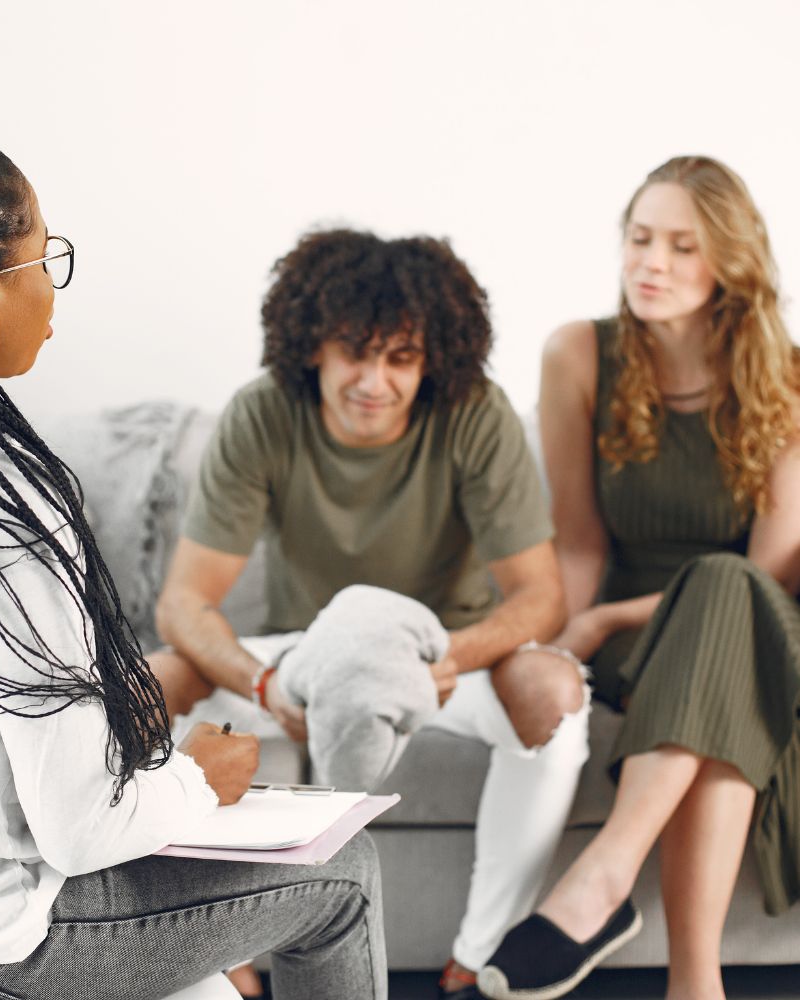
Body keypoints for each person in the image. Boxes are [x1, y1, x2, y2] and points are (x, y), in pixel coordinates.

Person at [0, 125, 386, 1000]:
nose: (52, 283)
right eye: (45, 255)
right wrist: (198, 778)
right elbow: (80, 830)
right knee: (346, 873)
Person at [150, 228, 591, 1000]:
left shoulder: (475, 415)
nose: (374, 381)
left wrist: (446, 662)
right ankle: (217, 955)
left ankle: (480, 955)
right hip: (300, 658)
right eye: (354, 352)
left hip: (444, 656)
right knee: (153, 679)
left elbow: (540, 596)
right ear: (312, 346)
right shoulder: (261, 413)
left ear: (433, 360)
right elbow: (184, 602)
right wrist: (266, 687)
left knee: (554, 691)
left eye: (401, 358)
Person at [478, 156, 800, 1000]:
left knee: (725, 594)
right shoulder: (580, 353)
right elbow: (579, 541)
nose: (650, 263)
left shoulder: (790, 378)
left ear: (732, 262)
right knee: (721, 712)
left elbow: (765, 571)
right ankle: (696, 986)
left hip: (756, 622)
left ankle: (603, 877)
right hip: (637, 645)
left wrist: (606, 619)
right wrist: (562, 642)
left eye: (683, 246)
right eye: (640, 238)